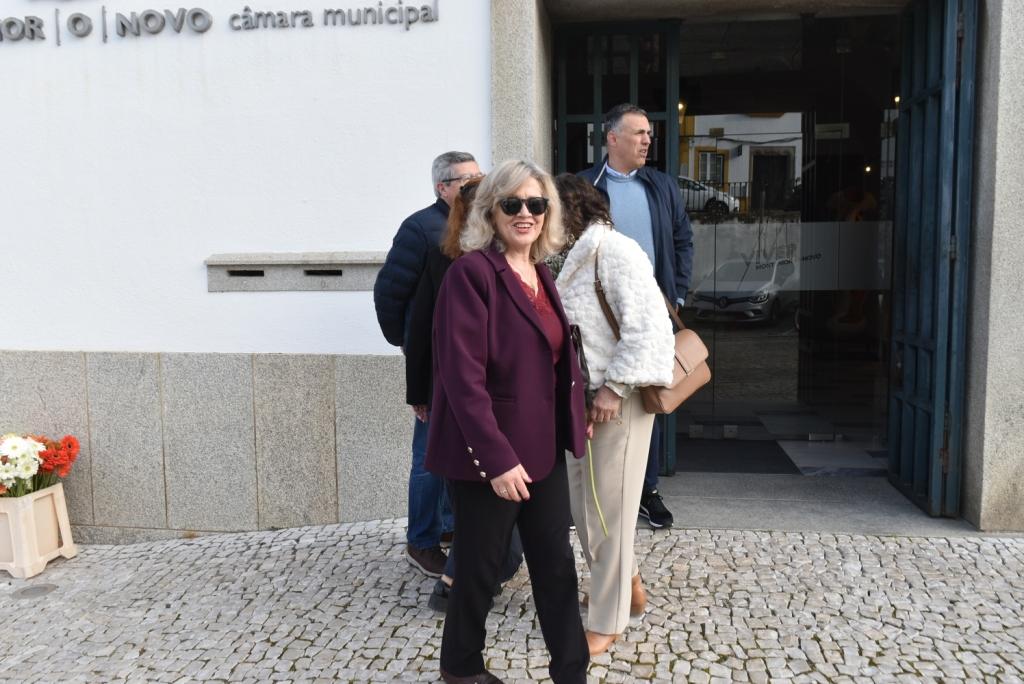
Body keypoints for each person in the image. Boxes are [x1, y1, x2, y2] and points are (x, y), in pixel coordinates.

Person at [427, 159, 589, 684]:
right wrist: (496, 461)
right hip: (490, 458)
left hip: (542, 451)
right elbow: (462, 379)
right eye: (512, 203)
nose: (526, 213)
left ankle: (571, 672)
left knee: (556, 566)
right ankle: (461, 668)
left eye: (536, 204)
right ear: (490, 211)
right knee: (479, 568)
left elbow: (553, 362)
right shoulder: (471, 274)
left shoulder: (542, 273)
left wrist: (576, 415)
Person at [554, 174, 675, 656]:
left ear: (571, 210)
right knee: (586, 509)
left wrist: (614, 388)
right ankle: (629, 585)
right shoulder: (567, 258)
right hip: (579, 400)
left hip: (616, 401)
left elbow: (649, 328)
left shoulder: (614, 250)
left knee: (608, 513)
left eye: (544, 208)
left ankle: (609, 619)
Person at [404, 178, 524, 613]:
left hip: (498, 401)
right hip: (462, 399)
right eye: (507, 205)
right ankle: (453, 577)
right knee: (477, 495)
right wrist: (420, 393)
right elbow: (419, 330)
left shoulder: (516, 263)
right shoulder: (449, 261)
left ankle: (466, 576)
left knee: (483, 501)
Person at [578, 103, 695, 530]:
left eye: (649, 133)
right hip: (596, 317)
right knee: (592, 394)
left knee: (648, 398)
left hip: (652, 312)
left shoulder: (661, 185)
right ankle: (591, 489)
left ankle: (647, 491)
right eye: (639, 132)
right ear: (612, 138)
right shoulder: (584, 185)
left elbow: (683, 239)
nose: (648, 139)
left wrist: (676, 293)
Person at [373, 151, 483, 577]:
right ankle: (420, 540)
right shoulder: (421, 228)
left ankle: (450, 527)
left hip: (465, 362)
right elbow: (390, 293)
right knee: (428, 456)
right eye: (466, 180)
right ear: (443, 187)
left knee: (457, 451)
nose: (476, 185)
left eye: (479, 176)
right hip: (433, 361)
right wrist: (406, 344)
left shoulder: (480, 226)